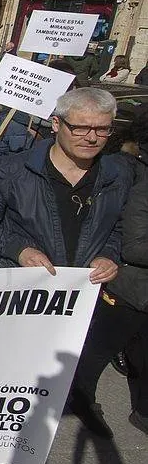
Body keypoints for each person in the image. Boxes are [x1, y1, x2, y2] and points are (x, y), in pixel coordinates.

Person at [0, 87, 130, 437]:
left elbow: (119, 227)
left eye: (102, 129)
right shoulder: (13, 170)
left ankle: (75, 403)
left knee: (69, 363)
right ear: (56, 124)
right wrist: (18, 249)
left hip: (79, 299)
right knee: (5, 365)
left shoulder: (117, 175)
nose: (92, 137)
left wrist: (110, 255)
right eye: (81, 128)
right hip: (17, 293)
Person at [73, 176, 148, 438]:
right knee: (96, 354)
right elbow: (133, 247)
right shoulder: (143, 190)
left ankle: (144, 412)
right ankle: (83, 401)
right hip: (130, 293)